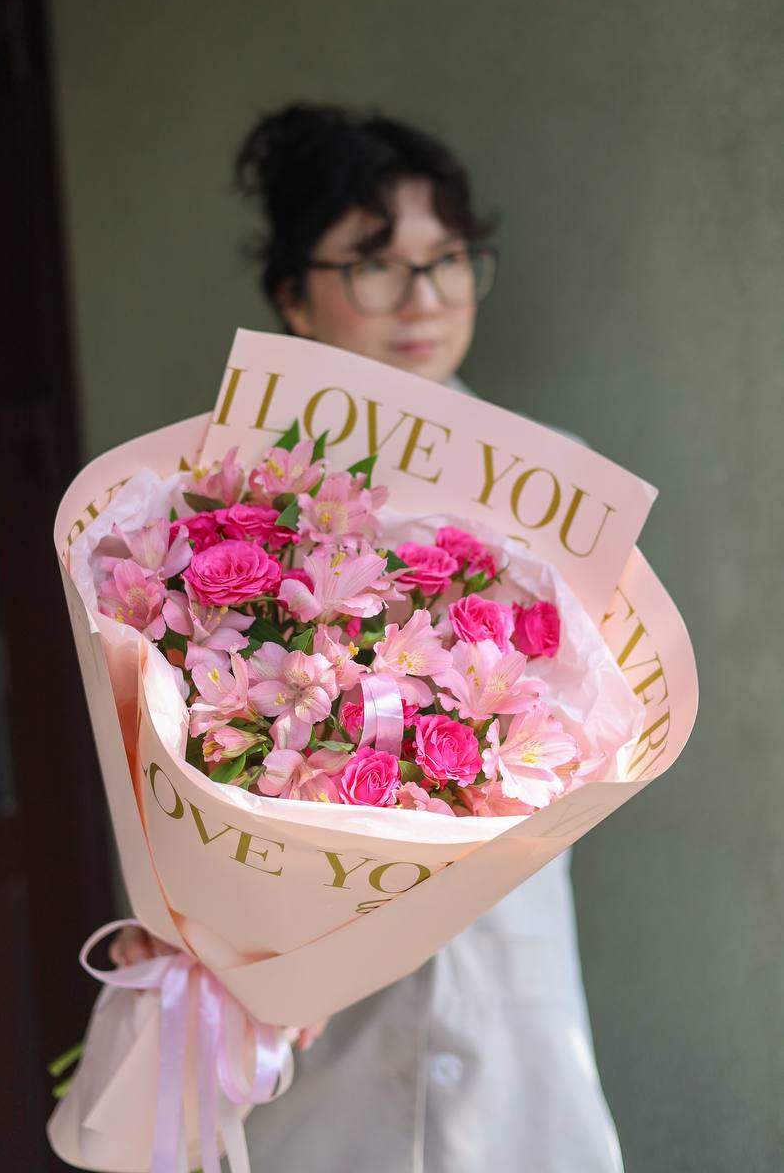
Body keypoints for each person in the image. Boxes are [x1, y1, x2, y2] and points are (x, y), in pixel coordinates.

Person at [116, 104, 624, 1172]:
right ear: (294, 294)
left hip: (500, 958)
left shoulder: (556, 486)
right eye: (375, 263)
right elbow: (165, 742)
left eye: (447, 260)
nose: (425, 297)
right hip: (309, 989)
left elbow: (597, 731)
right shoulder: (227, 503)